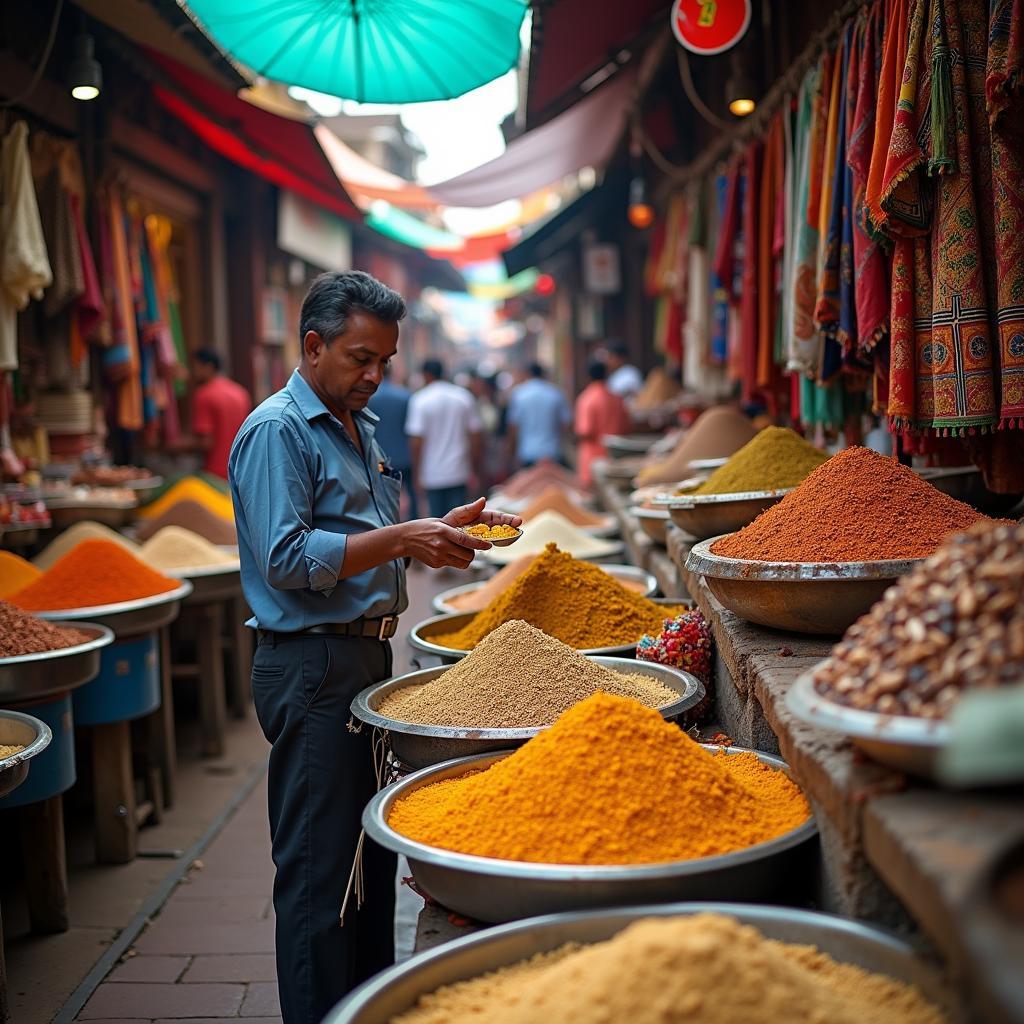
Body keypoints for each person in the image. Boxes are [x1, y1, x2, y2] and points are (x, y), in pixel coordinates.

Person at [227, 271, 519, 1024]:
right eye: (360, 358)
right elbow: (286, 559)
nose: (374, 376)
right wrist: (401, 536)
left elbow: (360, 545)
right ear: (313, 345)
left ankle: (363, 1009)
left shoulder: (358, 425)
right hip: (311, 664)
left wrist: (432, 533)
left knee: (366, 864)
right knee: (319, 874)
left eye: (384, 361)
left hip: (361, 659)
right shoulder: (277, 430)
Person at [405, 358, 483, 519]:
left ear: (426, 375)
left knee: (437, 522)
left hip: (432, 473)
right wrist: (474, 468)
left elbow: (416, 442)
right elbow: (475, 436)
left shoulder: (420, 400)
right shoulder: (463, 397)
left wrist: (416, 474)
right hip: (459, 470)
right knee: (461, 521)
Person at [171, 349, 252, 479]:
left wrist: (174, 445)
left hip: (215, 472)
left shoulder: (204, 395)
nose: (192, 372)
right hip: (241, 469)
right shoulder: (240, 393)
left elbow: (206, 442)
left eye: (195, 367)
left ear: (208, 366)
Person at [367, 365, 418, 519]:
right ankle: (414, 521)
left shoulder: (370, 399)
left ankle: (392, 524)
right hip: (406, 456)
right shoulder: (406, 396)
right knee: (411, 492)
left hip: (383, 460)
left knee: (387, 493)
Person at [574, 359, 632, 487]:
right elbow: (627, 426)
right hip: (615, 456)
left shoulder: (587, 399)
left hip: (592, 457)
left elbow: (585, 431)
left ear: (587, 376)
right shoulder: (616, 398)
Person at [506, 361, 571, 467]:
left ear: (527, 374)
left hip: (527, 452)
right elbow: (566, 424)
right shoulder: (556, 393)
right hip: (552, 451)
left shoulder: (519, 394)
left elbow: (513, 427)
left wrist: (511, 453)